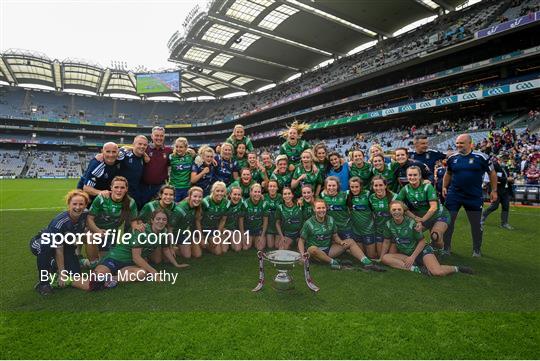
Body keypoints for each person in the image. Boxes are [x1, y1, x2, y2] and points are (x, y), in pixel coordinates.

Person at [92, 209, 188, 286]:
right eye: (158, 219)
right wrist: (154, 272)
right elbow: (136, 257)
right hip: (116, 258)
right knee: (96, 277)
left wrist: (176, 264)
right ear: (152, 220)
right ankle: (90, 266)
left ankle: (111, 280)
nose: (161, 222)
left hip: (130, 264)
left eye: (164, 220)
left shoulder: (164, 232)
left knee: (142, 273)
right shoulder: (142, 231)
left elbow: (166, 249)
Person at [380, 201, 473, 276]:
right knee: (385, 258)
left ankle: (456, 268)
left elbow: (422, 242)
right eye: (394, 210)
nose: (396, 212)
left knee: (437, 272)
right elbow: (386, 242)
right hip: (406, 254)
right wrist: (381, 258)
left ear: (403, 211)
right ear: (390, 211)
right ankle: (417, 269)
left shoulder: (412, 224)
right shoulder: (389, 224)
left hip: (421, 252)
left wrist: (412, 257)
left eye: (399, 209)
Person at [30, 190, 95, 295]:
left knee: (75, 274)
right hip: (41, 242)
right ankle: (44, 283)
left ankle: (53, 264)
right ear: (69, 204)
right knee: (46, 246)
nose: (78, 207)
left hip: (65, 245)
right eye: (74, 204)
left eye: (81, 204)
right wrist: (62, 273)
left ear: (85, 205)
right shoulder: (60, 222)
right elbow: (58, 249)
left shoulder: (85, 215)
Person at [443, 134, 497, 257]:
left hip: (473, 196)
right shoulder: (452, 158)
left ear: (470, 143)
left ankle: (476, 249)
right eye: (457, 143)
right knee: (448, 222)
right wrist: (444, 187)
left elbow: (492, 173)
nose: (458, 145)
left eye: (461, 143)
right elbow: (448, 173)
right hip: (454, 195)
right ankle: (446, 248)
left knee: (476, 224)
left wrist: (494, 190)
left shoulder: (482, 157)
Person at [297, 199, 382, 271]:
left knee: (350, 241)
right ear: (314, 209)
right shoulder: (308, 223)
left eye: (323, 207)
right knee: (312, 249)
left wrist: (341, 242)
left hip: (328, 251)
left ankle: (367, 263)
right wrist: (302, 255)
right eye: (318, 208)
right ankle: (333, 262)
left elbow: (335, 236)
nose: (321, 210)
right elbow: (301, 240)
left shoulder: (330, 219)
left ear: (326, 208)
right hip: (315, 253)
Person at [394, 166, 450, 250]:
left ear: (420, 176)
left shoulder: (427, 186)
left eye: (415, 175)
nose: (412, 177)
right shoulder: (405, 189)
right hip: (422, 218)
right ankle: (425, 248)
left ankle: (441, 249)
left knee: (435, 235)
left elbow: (433, 207)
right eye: (410, 175)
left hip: (439, 216)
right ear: (407, 176)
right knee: (410, 233)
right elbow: (397, 203)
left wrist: (422, 220)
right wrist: (414, 217)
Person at [86, 176, 141, 260]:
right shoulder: (102, 198)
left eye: (122, 187)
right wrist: (98, 231)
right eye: (116, 187)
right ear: (111, 188)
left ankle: (85, 262)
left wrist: (138, 228)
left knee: (105, 260)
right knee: (90, 237)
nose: (119, 190)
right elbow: (89, 218)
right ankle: (91, 263)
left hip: (110, 234)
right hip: (95, 230)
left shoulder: (130, 202)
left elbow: (133, 222)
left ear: (126, 189)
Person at [141, 126, 173, 204]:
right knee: (144, 208)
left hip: (160, 187)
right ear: (152, 136)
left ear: (164, 137)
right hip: (145, 187)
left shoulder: (168, 150)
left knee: (160, 210)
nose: (159, 138)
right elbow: (134, 148)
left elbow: (179, 153)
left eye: (161, 136)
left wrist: (189, 150)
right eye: (156, 135)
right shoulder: (145, 148)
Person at [481, 155, 514, 229]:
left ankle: (504, 223)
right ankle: (482, 216)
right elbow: (495, 177)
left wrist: (511, 180)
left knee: (506, 206)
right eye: (504, 160)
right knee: (494, 206)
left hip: (505, 190)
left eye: (506, 160)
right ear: (500, 159)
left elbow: (505, 178)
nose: (505, 161)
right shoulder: (495, 166)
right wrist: (507, 179)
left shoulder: (505, 167)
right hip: (496, 190)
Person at [347, 177, 376, 259]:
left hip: (368, 230)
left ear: (361, 186)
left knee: (371, 256)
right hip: (356, 231)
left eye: (357, 187)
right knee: (361, 256)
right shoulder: (348, 196)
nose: (354, 189)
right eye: (352, 187)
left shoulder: (368, 194)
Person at [117, 135, 148, 209]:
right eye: (140, 144)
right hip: (121, 192)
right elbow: (113, 155)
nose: (142, 146)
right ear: (134, 144)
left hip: (136, 193)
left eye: (144, 145)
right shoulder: (125, 154)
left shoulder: (143, 158)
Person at [368, 176, 395, 256]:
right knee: (381, 255)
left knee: (389, 256)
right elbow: (371, 214)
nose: (378, 188)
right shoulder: (371, 198)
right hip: (379, 230)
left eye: (381, 185)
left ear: (385, 186)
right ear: (373, 187)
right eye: (376, 186)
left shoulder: (394, 197)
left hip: (392, 231)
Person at [201, 182, 229, 255]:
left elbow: (223, 220)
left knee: (223, 250)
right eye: (217, 191)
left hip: (213, 229)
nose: (220, 193)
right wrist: (201, 235)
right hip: (202, 228)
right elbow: (197, 219)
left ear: (225, 192)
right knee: (217, 252)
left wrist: (217, 235)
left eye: (222, 191)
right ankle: (203, 242)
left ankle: (210, 241)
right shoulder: (205, 202)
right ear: (213, 191)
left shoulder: (226, 203)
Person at [239, 183, 268, 251]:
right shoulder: (245, 203)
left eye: (259, 192)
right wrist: (243, 235)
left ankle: (256, 239)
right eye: (255, 192)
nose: (257, 194)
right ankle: (251, 239)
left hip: (259, 230)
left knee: (260, 248)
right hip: (248, 230)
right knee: (245, 247)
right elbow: (241, 221)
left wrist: (262, 235)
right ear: (251, 192)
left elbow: (265, 221)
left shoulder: (264, 203)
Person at [169, 137, 194, 202]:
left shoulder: (191, 156)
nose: (178, 149)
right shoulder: (171, 157)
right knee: (174, 208)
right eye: (176, 146)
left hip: (187, 188)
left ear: (186, 148)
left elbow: (203, 156)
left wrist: (213, 159)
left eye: (181, 147)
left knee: (185, 207)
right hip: (174, 188)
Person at [262, 180, 282, 249]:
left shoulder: (281, 197)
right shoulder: (263, 197)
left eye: (274, 186)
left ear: (277, 188)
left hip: (277, 225)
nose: (272, 188)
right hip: (268, 225)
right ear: (268, 188)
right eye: (270, 186)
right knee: (270, 246)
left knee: (277, 246)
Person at [224, 186, 245, 252]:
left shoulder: (241, 205)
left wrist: (242, 235)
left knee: (237, 248)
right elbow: (221, 222)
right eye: (235, 194)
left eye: (239, 195)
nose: (237, 197)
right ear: (230, 195)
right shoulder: (225, 204)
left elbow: (240, 222)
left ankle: (230, 241)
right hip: (224, 230)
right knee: (224, 250)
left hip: (234, 230)